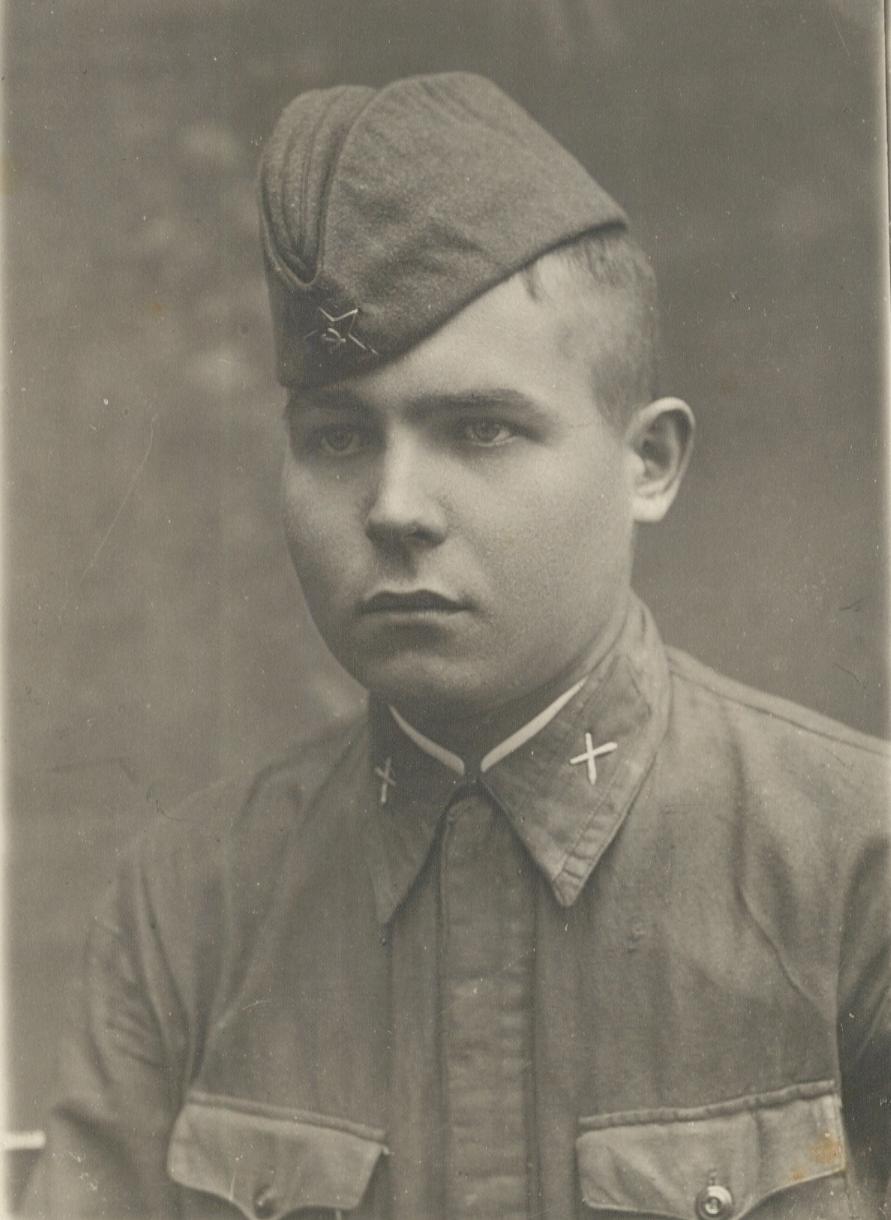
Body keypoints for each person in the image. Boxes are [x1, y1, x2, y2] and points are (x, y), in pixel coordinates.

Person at [25, 73, 889, 1219]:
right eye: (339, 437)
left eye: (479, 428)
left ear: (649, 463)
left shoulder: (859, 869)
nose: (395, 507)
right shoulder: (185, 906)